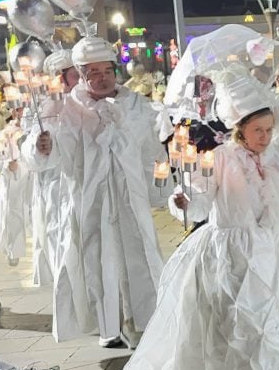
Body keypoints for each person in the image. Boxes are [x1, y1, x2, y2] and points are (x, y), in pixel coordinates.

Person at [116, 69, 279, 370]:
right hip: (232, 251)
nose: (265, 136)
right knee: (238, 319)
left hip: (270, 248)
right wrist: (182, 199)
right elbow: (199, 198)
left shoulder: (273, 154)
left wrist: (277, 108)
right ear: (239, 128)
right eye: (258, 130)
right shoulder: (221, 157)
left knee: (276, 316)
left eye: (269, 129)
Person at [25, 36, 171, 347]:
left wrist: (160, 186)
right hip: (92, 202)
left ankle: (141, 325)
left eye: (106, 70)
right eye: (93, 72)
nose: (101, 78)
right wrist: (43, 148)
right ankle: (110, 325)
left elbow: (152, 152)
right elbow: (53, 153)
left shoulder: (136, 105)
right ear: (81, 73)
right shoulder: (67, 110)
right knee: (99, 261)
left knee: (138, 260)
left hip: (131, 199)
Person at [27, 49, 81, 289]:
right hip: (58, 190)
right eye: (75, 75)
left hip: (87, 187)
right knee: (64, 246)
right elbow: (30, 149)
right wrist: (41, 148)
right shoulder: (46, 110)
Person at [0, 106, 31, 267]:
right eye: (19, 110)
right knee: (13, 215)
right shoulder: (3, 135)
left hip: (34, 177)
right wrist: (6, 165)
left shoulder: (36, 131)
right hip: (13, 180)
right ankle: (13, 249)